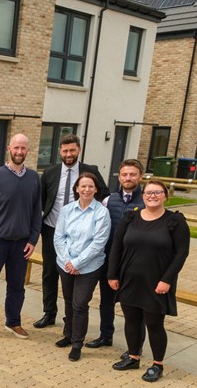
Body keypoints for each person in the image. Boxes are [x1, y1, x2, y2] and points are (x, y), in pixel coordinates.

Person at [107, 180, 191, 382]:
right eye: (148, 192)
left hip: (156, 282)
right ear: (142, 195)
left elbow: (181, 253)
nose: (152, 196)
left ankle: (157, 364)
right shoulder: (130, 217)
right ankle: (133, 356)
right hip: (129, 279)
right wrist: (112, 274)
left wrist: (167, 280)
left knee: (154, 324)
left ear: (165, 196)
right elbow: (116, 248)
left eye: (157, 192)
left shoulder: (175, 221)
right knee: (131, 319)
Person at [37, 134, 109, 329]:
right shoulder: (50, 172)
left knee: (74, 273)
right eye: (65, 151)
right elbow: (42, 200)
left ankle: (71, 320)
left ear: (79, 150)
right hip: (53, 230)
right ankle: (49, 313)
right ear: (60, 151)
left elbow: (104, 194)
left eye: (72, 150)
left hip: (83, 234)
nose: (69, 154)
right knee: (49, 272)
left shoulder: (90, 171)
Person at [0, 133, 42, 338]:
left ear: (27, 151)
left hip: (21, 245)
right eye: (16, 148)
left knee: (17, 287)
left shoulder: (33, 178)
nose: (19, 152)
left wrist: (33, 240)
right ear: (9, 149)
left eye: (23, 148)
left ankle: (13, 322)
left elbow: (36, 211)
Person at [87, 159, 146, 352]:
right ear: (119, 177)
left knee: (135, 307)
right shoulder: (108, 200)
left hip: (135, 264)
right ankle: (106, 335)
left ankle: (133, 349)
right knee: (106, 301)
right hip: (110, 261)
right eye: (124, 175)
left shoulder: (147, 201)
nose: (128, 178)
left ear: (141, 176)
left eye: (132, 174)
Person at [53, 172, 111, 361]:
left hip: (89, 267)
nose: (86, 189)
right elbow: (59, 237)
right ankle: (68, 335)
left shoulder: (101, 212)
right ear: (76, 189)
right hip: (65, 264)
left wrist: (77, 263)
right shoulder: (67, 210)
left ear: (96, 190)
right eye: (83, 186)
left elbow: (98, 243)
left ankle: (77, 343)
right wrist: (68, 262)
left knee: (80, 304)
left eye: (90, 186)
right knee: (69, 301)